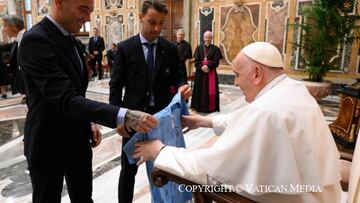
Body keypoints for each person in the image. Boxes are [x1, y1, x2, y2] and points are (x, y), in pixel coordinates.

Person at [133, 42, 342, 203]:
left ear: (257, 73)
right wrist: (204, 122)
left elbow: (210, 168)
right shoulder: (292, 89)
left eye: (237, 74)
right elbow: (247, 121)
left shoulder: (265, 111)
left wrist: (159, 151)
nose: (235, 82)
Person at [17, 0, 158, 202]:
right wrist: (124, 114)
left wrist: (89, 122)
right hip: (48, 141)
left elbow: (76, 93)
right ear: (59, 3)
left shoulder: (72, 41)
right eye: (83, 9)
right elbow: (65, 98)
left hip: (78, 138)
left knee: (84, 198)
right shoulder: (36, 40)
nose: (88, 17)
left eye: (91, 11)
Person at [109, 0, 191, 202]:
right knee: (128, 170)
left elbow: (179, 75)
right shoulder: (125, 48)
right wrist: (117, 118)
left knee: (165, 168)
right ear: (140, 17)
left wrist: (183, 86)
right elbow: (115, 86)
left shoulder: (170, 49)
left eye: (161, 23)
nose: (157, 28)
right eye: (151, 22)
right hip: (132, 122)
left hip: (160, 122)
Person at [191, 31, 223, 113]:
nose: (207, 39)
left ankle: (210, 108)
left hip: (210, 72)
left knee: (210, 90)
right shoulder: (199, 48)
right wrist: (202, 67)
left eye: (209, 37)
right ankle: (198, 107)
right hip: (200, 73)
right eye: (206, 37)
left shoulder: (215, 49)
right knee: (199, 89)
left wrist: (208, 66)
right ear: (203, 38)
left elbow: (216, 61)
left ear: (212, 38)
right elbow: (196, 61)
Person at [0, 16, 26, 103]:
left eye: (5, 26)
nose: (3, 29)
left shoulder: (28, 38)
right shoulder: (17, 40)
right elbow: (6, 46)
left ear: (14, 27)